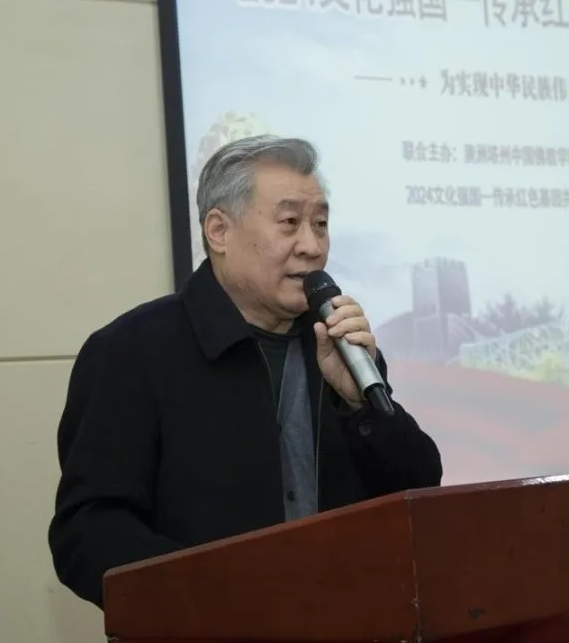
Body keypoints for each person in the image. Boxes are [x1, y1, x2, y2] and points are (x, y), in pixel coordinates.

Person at [48, 134, 443, 607]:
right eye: (290, 222)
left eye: (320, 224)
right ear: (218, 230)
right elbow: (88, 531)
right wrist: (212, 599)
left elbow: (419, 491)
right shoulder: (131, 352)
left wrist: (361, 407)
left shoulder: (339, 344)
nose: (312, 246)